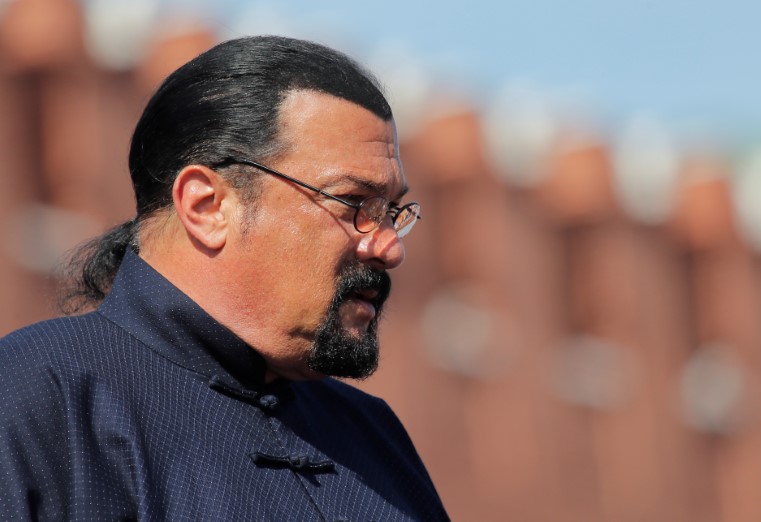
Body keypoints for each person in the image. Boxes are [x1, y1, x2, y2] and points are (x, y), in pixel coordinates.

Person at [0, 35, 449, 521]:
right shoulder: (37, 400)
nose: (389, 247)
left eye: (391, 212)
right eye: (354, 204)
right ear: (208, 206)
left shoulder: (371, 436)